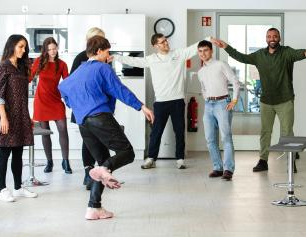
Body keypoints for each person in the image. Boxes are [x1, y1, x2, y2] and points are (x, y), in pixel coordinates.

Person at [58, 36, 154, 220]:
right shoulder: (102, 68)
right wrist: (141, 106)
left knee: (102, 160)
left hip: (83, 122)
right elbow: (119, 89)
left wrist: (78, 105)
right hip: (99, 116)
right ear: (99, 51)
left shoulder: (78, 71)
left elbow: (64, 89)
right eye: (107, 51)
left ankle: (93, 207)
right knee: (127, 152)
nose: (108, 55)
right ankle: (103, 170)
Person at [212, 28, 306, 172]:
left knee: (287, 132)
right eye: (269, 36)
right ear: (266, 39)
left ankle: (290, 161)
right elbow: (241, 57)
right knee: (265, 132)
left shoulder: (287, 52)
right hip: (266, 101)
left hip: (285, 100)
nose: (272, 38)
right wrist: (226, 47)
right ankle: (263, 161)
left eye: (275, 36)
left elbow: (303, 53)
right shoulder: (259, 55)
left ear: (279, 38)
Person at [112, 33, 209, 169]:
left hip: (177, 101)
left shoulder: (179, 54)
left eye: (166, 41)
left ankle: (180, 159)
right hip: (161, 102)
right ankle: (151, 158)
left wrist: (209, 39)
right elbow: (134, 61)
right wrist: (115, 56)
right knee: (156, 132)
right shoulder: (151, 59)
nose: (166, 43)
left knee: (179, 131)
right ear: (155, 46)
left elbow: (195, 47)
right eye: (162, 42)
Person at [0, 34, 38, 202]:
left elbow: (22, 97)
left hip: (21, 115)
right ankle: (2, 190)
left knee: (18, 153)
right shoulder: (2, 67)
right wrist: (4, 118)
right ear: (12, 46)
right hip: (7, 116)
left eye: (25, 47)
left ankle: (18, 187)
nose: (24, 50)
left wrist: (27, 117)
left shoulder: (20, 67)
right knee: (5, 152)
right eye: (20, 46)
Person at [197, 40, 240, 181]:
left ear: (211, 51)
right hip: (209, 105)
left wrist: (234, 100)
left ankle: (228, 169)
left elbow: (235, 81)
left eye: (205, 50)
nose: (203, 53)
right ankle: (217, 167)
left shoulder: (220, 64)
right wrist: (206, 98)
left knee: (226, 137)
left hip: (223, 103)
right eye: (200, 51)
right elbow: (203, 88)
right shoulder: (201, 71)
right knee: (210, 139)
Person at [29, 37, 72, 174]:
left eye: (54, 48)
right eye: (50, 49)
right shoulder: (39, 62)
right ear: (45, 51)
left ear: (57, 48)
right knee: (45, 133)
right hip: (41, 101)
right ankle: (50, 162)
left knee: (63, 129)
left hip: (55, 101)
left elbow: (67, 83)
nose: (52, 51)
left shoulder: (62, 64)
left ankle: (66, 161)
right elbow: (28, 78)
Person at [70, 27, 105, 190]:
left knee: (101, 139)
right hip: (83, 108)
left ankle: (102, 172)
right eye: (98, 39)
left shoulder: (103, 58)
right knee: (89, 140)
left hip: (100, 107)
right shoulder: (80, 58)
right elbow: (71, 83)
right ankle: (88, 172)